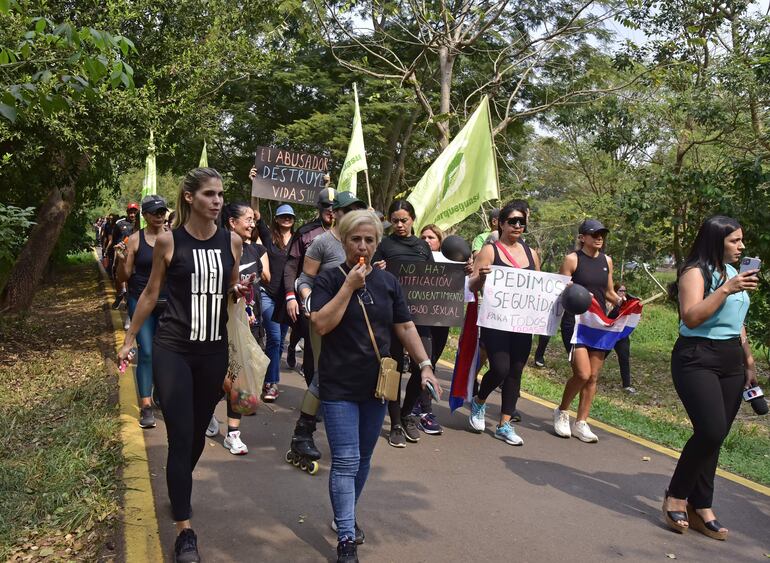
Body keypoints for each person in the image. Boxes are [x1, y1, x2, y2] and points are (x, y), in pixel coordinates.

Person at [118, 167, 249, 563]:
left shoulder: (234, 242)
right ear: (189, 198)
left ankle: (179, 489)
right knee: (180, 434)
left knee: (194, 440)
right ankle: (185, 531)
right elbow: (150, 294)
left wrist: (236, 290)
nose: (217, 201)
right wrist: (128, 340)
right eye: (210, 194)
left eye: (221, 195)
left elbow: (226, 289)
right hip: (173, 349)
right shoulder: (168, 242)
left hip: (212, 353)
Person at [310, 209, 443, 563]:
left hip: (378, 386)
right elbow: (321, 324)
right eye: (356, 239)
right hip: (339, 384)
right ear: (343, 240)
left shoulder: (388, 283)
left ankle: (345, 518)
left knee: (364, 458)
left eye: (370, 240)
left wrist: (426, 366)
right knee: (346, 460)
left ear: (377, 243)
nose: (363, 246)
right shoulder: (327, 279)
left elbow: (405, 326)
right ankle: (347, 539)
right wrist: (349, 287)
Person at [662, 216, 757, 540]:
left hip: (730, 359)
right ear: (716, 241)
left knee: (716, 437)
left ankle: (701, 505)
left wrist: (748, 360)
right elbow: (692, 316)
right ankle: (676, 494)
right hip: (696, 357)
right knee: (711, 429)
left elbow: (737, 319)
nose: (741, 246)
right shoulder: (695, 272)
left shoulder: (735, 273)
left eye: (741, 240)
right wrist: (727, 289)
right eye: (735, 241)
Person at [286, 191, 368, 472]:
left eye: (359, 210)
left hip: (354, 321)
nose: (355, 216)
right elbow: (304, 277)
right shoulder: (321, 242)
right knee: (324, 374)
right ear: (336, 213)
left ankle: (343, 434)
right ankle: (302, 434)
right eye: (349, 211)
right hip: (324, 315)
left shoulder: (361, 243)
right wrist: (307, 298)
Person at [467, 201, 540, 445]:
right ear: (501, 223)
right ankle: (479, 401)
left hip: (522, 322)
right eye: (512, 221)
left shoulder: (532, 254)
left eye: (522, 222)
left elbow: (539, 288)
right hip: (495, 320)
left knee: (515, 371)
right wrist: (482, 278)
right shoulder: (490, 251)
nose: (518, 225)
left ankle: (504, 423)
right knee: (500, 368)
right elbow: (472, 286)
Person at [206, 201, 270, 456]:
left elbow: (263, 281)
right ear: (232, 222)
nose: (252, 224)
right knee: (218, 379)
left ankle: (233, 433)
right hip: (217, 324)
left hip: (248, 324)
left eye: (254, 220)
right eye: (248, 219)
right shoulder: (218, 249)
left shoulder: (253, 251)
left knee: (241, 379)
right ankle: (207, 413)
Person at [552, 219, 624, 443]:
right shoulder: (572, 259)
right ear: (582, 237)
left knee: (593, 376)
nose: (599, 238)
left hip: (598, 323)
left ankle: (581, 422)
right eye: (594, 234)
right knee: (582, 373)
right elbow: (559, 289)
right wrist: (574, 292)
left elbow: (609, 292)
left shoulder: (607, 261)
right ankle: (562, 411)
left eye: (602, 234)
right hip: (575, 323)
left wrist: (624, 302)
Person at [372, 200, 434, 447]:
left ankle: (408, 412)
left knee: (424, 365)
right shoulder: (384, 245)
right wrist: (378, 269)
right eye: (395, 220)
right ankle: (396, 421)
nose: (399, 225)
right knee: (394, 370)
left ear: (412, 219)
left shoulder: (422, 247)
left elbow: (435, 279)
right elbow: (369, 273)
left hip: (422, 317)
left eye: (404, 220)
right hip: (393, 317)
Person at [114, 195, 168, 429]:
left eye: (162, 212)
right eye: (154, 212)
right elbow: (124, 276)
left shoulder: (174, 238)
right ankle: (146, 406)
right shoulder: (135, 240)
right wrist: (122, 258)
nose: (159, 216)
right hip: (142, 300)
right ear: (144, 215)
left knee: (166, 353)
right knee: (146, 352)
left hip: (169, 302)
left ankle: (161, 393)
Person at [276, 184, 336, 383]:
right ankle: (312, 397)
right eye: (326, 205)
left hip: (340, 299)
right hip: (310, 298)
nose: (331, 210)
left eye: (335, 205)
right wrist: (291, 296)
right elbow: (291, 267)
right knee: (312, 350)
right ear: (319, 207)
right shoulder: (306, 232)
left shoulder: (350, 234)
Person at [251, 199, 295, 402]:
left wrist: (325, 187)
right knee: (275, 338)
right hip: (267, 294)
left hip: (287, 298)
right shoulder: (269, 238)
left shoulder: (298, 241)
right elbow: (256, 215)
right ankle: (271, 383)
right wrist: (255, 188)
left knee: (277, 345)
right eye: (283, 216)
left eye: (290, 216)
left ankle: (267, 375)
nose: (286, 219)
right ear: (276, 219)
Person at [607, 283, 635, 393]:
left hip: (621, 336)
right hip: (609, 334)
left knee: (624, 358)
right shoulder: (609, 303)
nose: (623, 293)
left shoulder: (627, 304)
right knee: (599, 357)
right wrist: (618, 305)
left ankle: (626, 385)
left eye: (624, 291)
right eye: (620, 291)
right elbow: (609, 316)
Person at [109, 203, 140, 303]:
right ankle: (120, 294)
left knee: (131, 276)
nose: (132, 215)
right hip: (121, 253)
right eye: (130, 212)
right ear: (127, 213)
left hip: (135, 255)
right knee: (118, 275)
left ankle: (129, 298)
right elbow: (114, 239)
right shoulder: (120, 224)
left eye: (134, 212)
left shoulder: (142, 224)